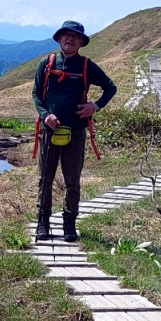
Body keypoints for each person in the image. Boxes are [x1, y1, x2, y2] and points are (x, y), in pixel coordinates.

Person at [32, 20, 116, 241]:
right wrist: (45, 115)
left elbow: (111, 87)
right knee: (45, 180)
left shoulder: (87, 66)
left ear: (81, 42)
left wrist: (94, 107)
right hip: (49, 132)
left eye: (74, 36)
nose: (69, 39)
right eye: (65, 35)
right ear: (59, 38)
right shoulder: (47, 63)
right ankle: (43, 224)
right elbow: (36, 95)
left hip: (76, 132)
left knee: (72, 181)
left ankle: (69, 225)